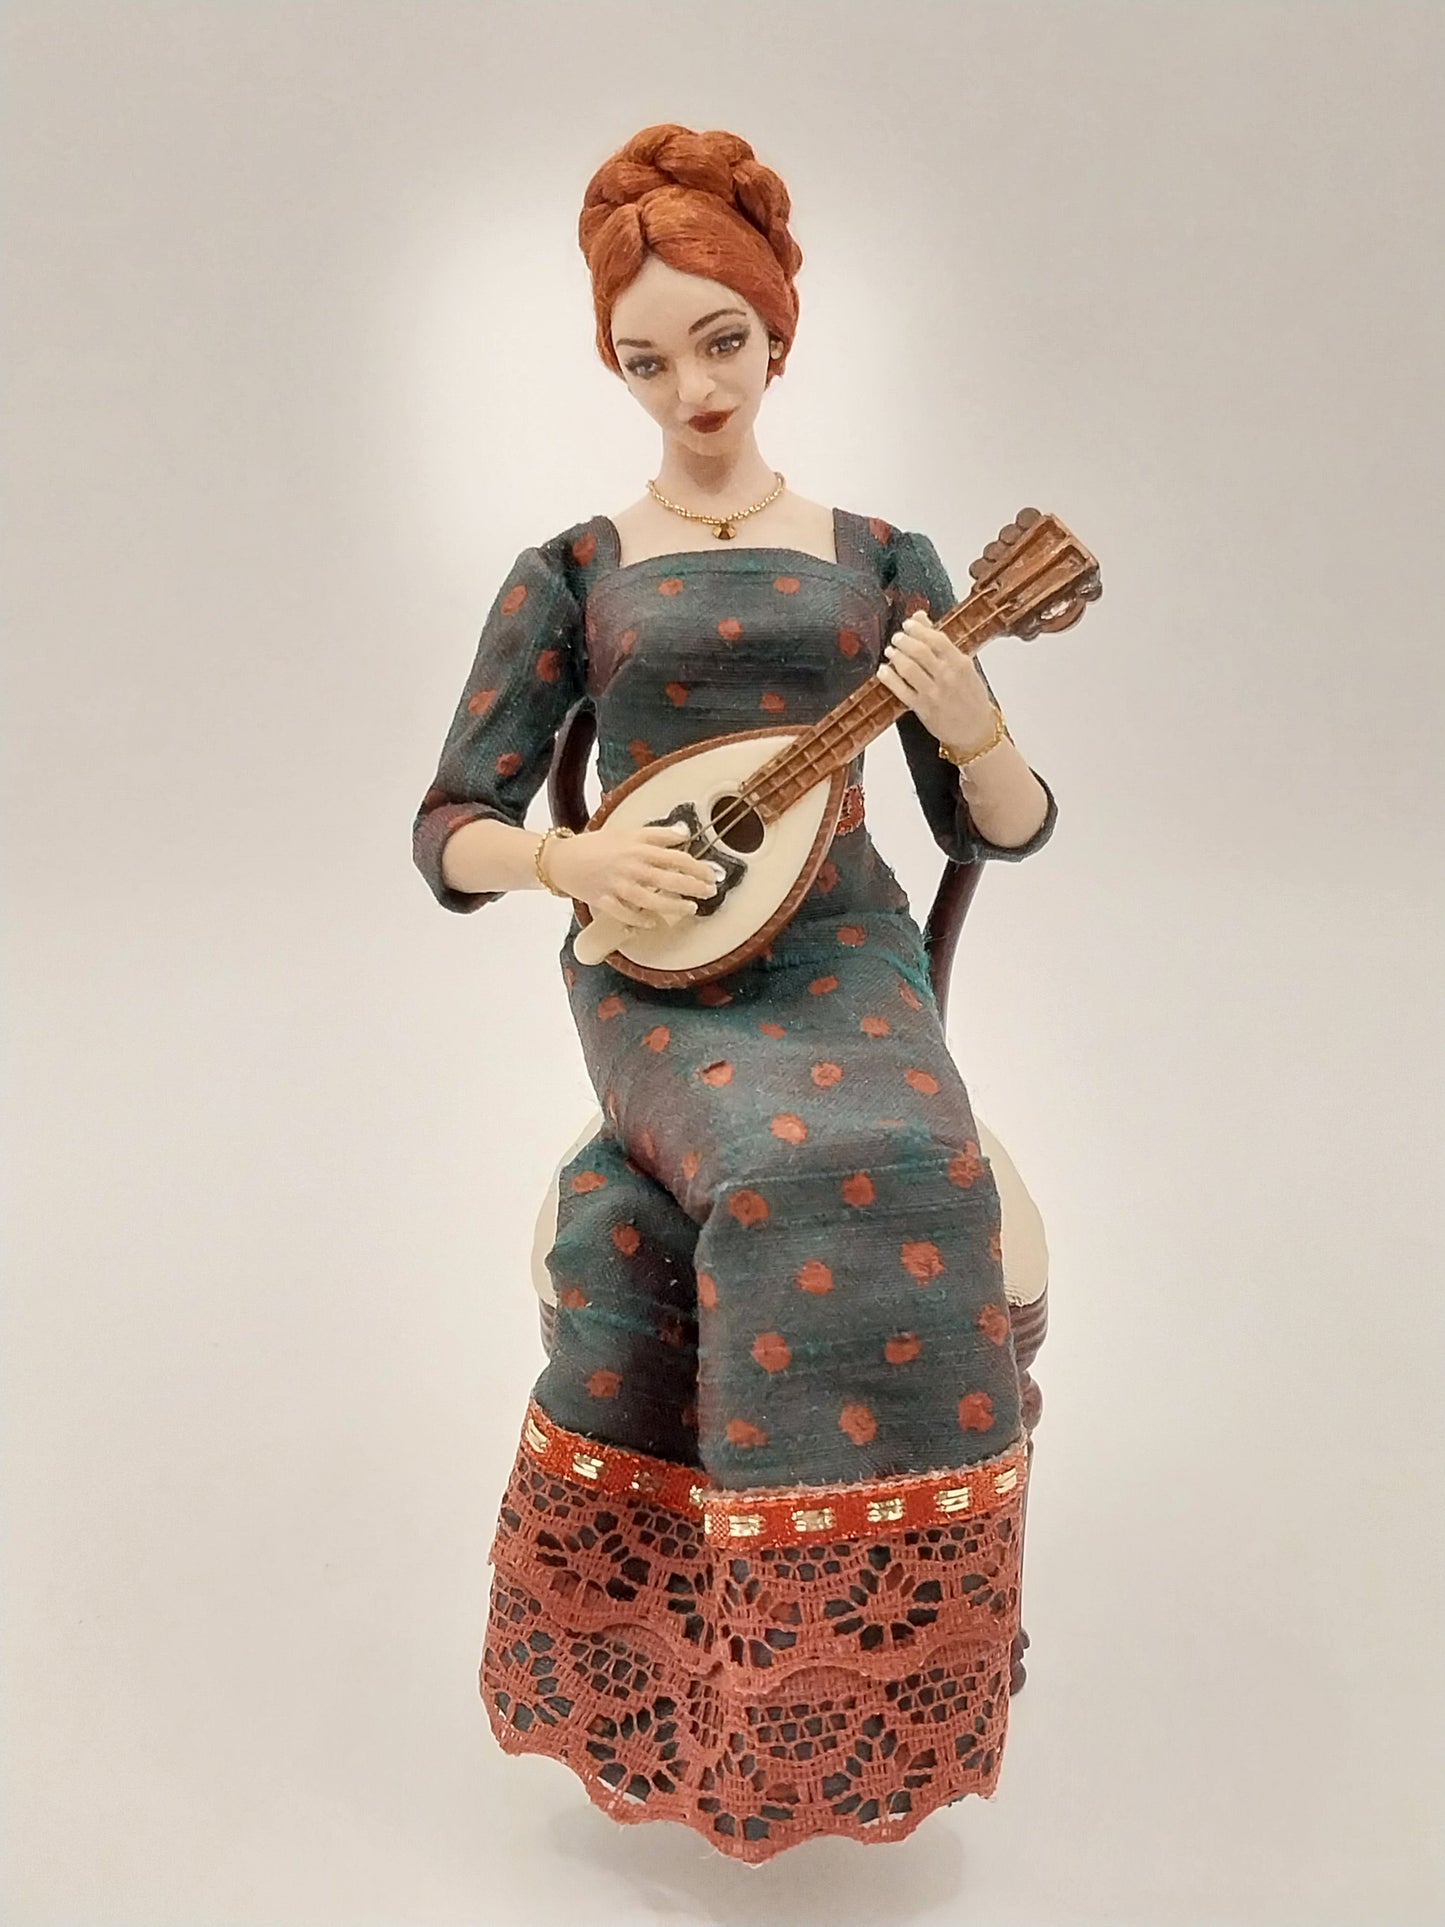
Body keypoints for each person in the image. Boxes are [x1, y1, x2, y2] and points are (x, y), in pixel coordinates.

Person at [412, 123, 1057, 1863]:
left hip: (844, 943)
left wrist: (975, 721)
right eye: (646, 359)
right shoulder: (574, 568)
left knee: (916, 1163)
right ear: (613, 368)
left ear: (778, 333)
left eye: (721, 342)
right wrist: (574, 863)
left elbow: (1000, 828)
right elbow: (449, 827)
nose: (692, 388)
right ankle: (739, 1670)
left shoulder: (887, 557)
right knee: (773, 1171)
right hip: (660, 974)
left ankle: (888, 1680)